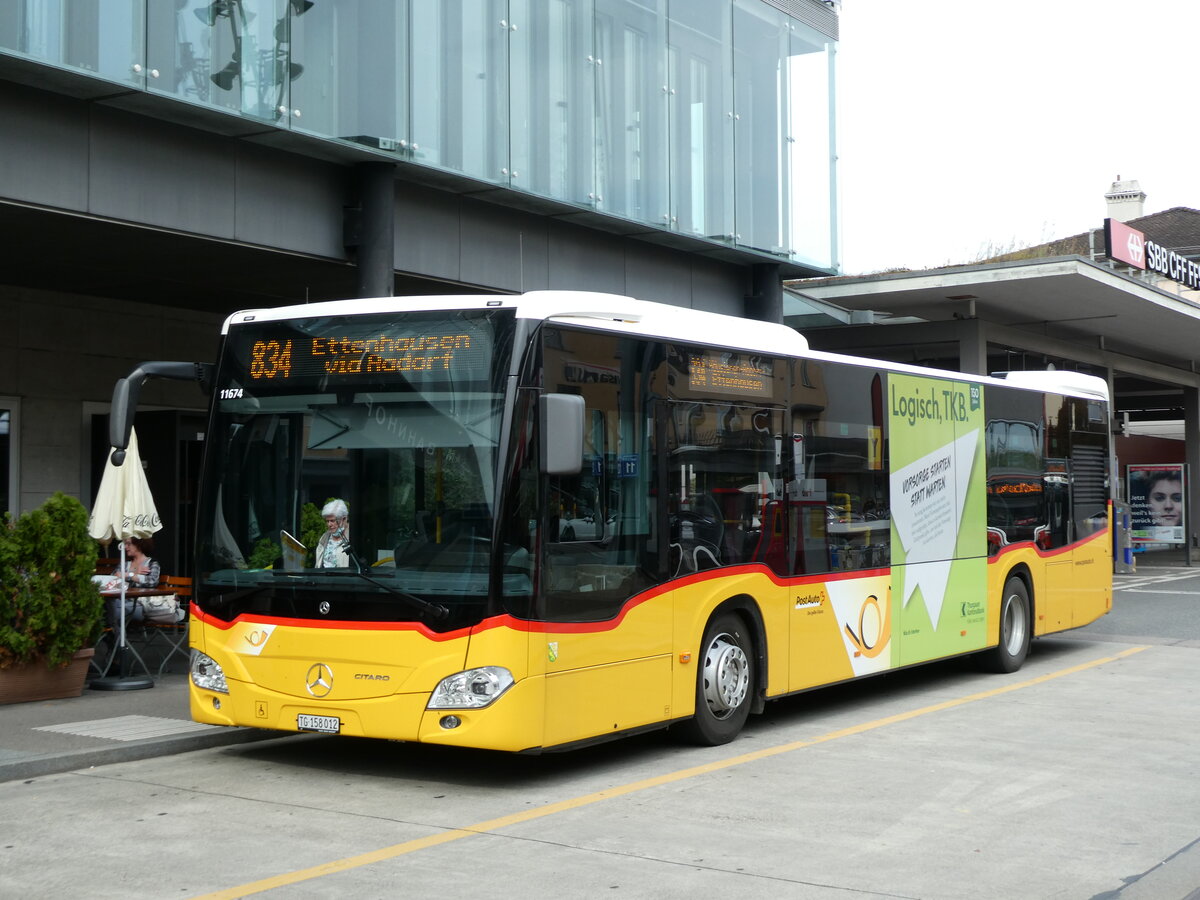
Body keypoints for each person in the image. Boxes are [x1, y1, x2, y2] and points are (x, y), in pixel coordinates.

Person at [315, 498, 351, 567]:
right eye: (327, 521)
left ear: (344, 519)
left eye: (332, 521)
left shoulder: (351, 538)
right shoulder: (324, 538)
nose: (329, 524)